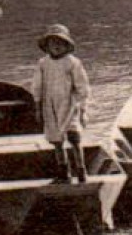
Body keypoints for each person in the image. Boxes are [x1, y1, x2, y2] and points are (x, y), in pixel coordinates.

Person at [31, 24, 90, 183]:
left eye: (60, 43)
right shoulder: (43, 64)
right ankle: (64, 172)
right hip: (50, 106)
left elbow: (82, 86)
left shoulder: (72, 63)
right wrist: (37, 107)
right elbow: (37, 86)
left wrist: (83, 109)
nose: (56, 47)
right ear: (47, 46)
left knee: (74, 138)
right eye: (52, 43)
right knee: (57, 140)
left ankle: (81, 170)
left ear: (66, 45)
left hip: (69, 105)